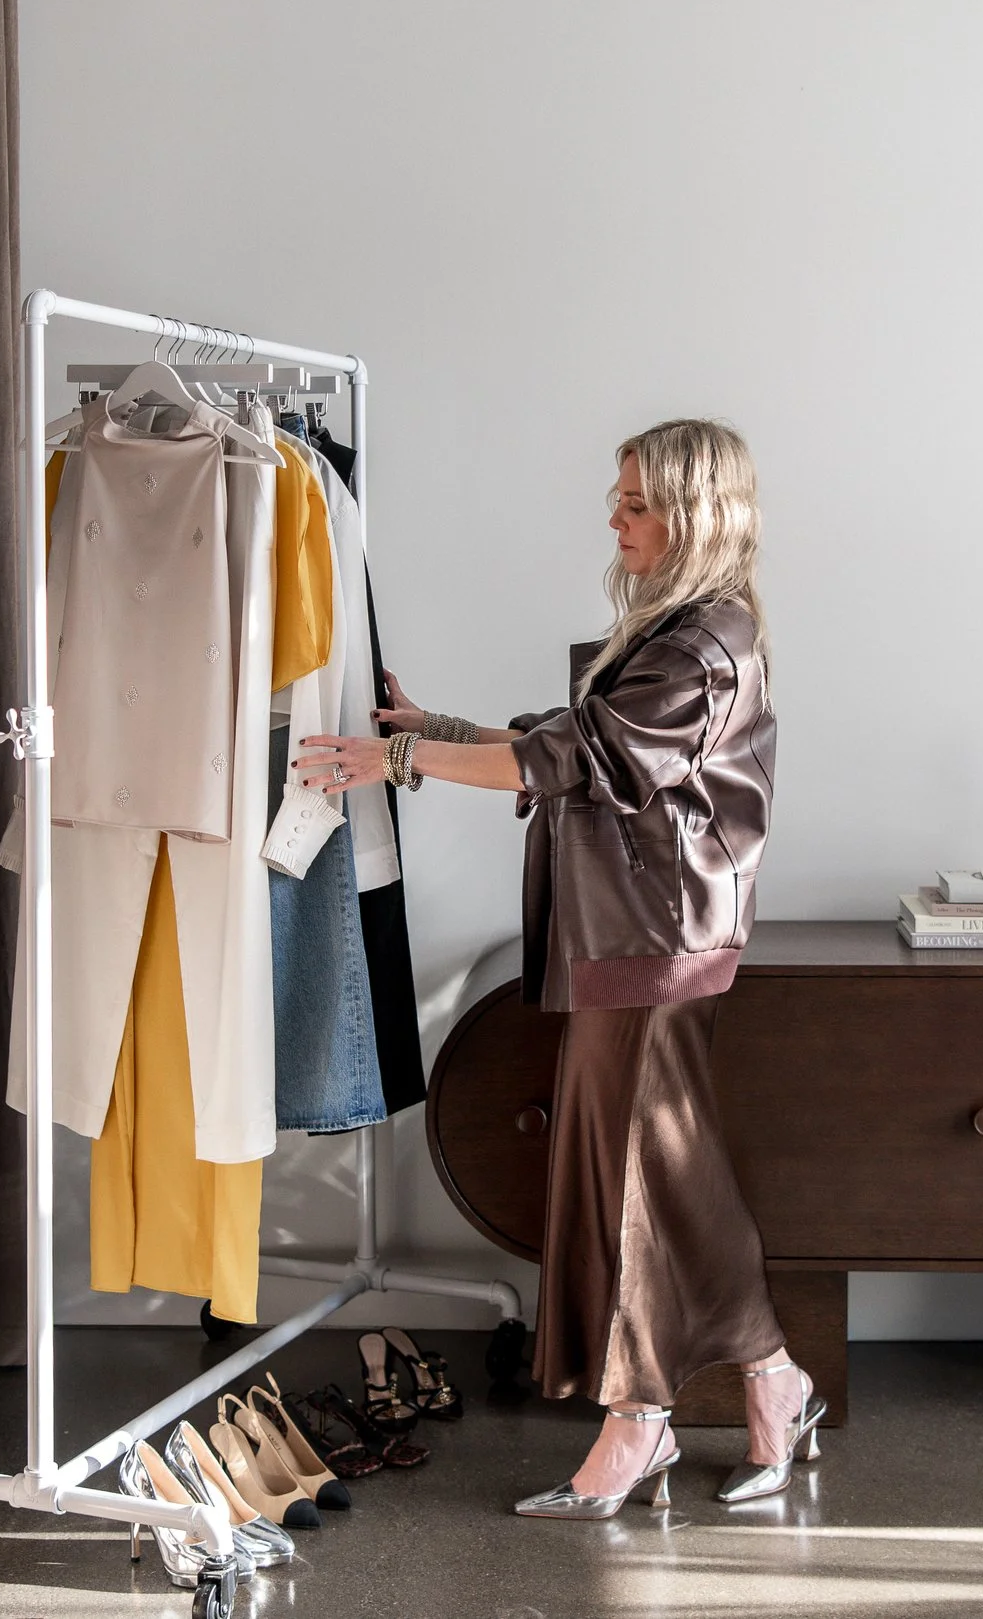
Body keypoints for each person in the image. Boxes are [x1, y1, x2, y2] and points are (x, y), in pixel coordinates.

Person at [297, 418, 823, 1519]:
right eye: (617, 498)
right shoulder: (684, 628)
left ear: (693, 512)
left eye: (635, 502)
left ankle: (638, 1421)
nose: (614, 517)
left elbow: (574, 756)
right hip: (638, 938)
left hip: (652, 942)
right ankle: (773, 1381)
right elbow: (576, 739)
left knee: (628, 1178)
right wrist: (432, 726)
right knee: (669, 1178)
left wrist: (397, 756)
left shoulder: (702, 645)